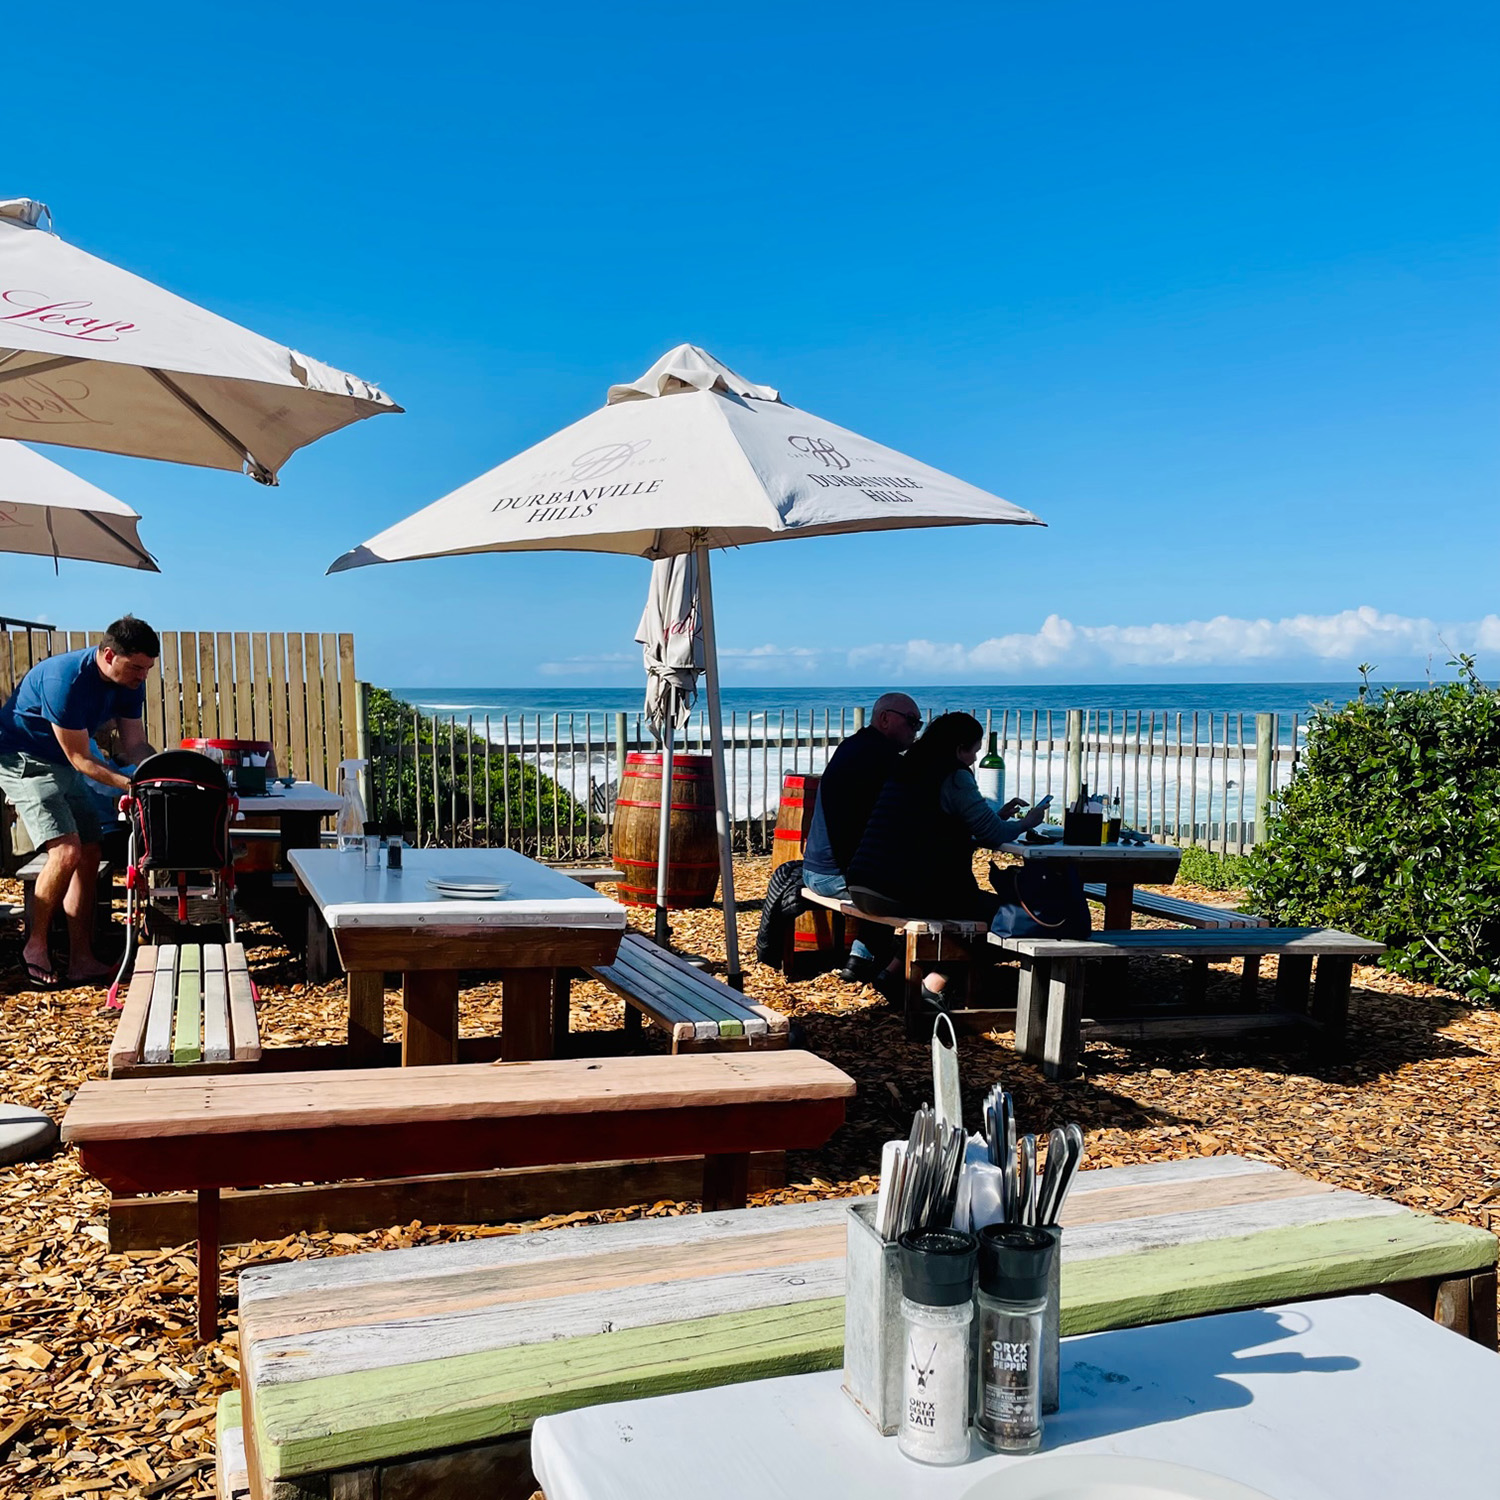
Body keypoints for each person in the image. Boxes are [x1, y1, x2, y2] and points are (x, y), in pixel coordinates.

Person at [847, 711, 1045, 1006]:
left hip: (864, 882)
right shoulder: (953, 775)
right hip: (899, 889)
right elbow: (992, 835)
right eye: (973, 751)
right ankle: (933, 984)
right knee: (1003, 915)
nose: (974, 760)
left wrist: (996, 817)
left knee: (959, 905)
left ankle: (893, 973)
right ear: (958, 748)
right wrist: (1027, 823)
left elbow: (934, 824)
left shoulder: (908, 767)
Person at [0, 618, 159, 986]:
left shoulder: (129, 684)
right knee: (66, 851)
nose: (142, 676)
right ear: (108, 655)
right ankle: (35, 946)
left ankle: (81, 959)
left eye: (148, 668)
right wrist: (132, 784)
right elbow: (82, 760)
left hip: (60, 760)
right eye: (136, 667)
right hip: (22, 759)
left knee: (90, 851)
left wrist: (156, 771)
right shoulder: (66, 680)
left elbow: (134, 743)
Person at [801, 692, 922, 982]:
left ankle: (859, 960)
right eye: (911, 722)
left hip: (815, 868)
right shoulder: (882, 759)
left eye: (919, 724)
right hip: (836, 876)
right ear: (885, 719)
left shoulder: (853, 746)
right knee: (923, 896)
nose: (916, 730)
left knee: (885, 878)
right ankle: (894, 971)